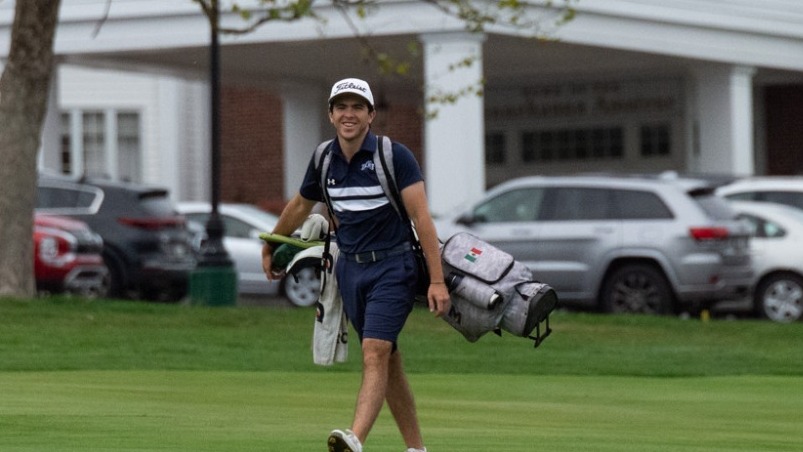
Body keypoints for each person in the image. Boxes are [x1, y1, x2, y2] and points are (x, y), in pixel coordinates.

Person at [261, 77, 450, 452]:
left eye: (357, 107)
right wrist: (272, 242)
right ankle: (417, 449)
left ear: (370, 115)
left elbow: (422, 219)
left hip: (393, 268)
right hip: (350, 270)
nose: (349, 114)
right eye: (342, 107)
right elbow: (300, 206)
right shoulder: (324, 159)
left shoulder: (393, 156)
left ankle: (354, 439)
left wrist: (438, 281)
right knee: (388, 358)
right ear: (331, 115)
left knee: (375, 351)